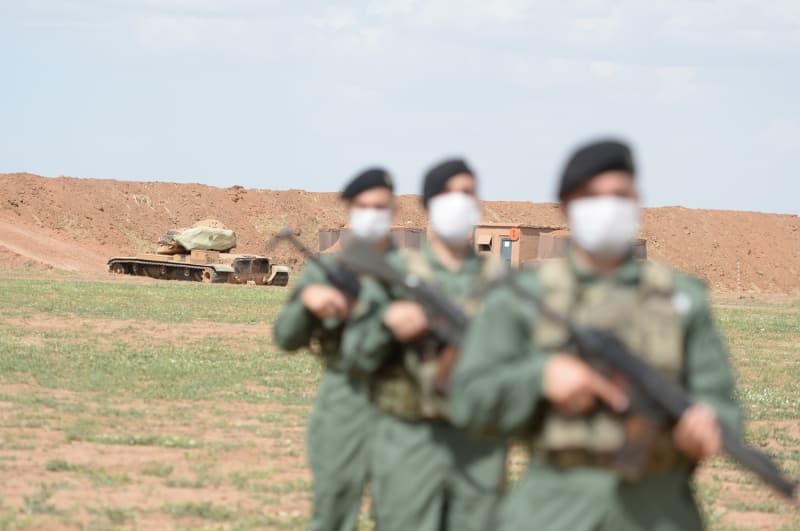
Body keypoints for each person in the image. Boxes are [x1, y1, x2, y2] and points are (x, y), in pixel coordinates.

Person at [450, 139, 742, 531]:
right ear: (565, 205)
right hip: (554, 506)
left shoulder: (682, 299)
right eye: (592, 196)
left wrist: (708, 426)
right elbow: (469, 399)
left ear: (637, 201)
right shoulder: (522, 298)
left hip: (658, 509)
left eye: (620, 195)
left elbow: (722, 403)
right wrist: (539, 377)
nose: (607, 208)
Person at [340, 158, 508, 531]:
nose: (459, 201)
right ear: (429, 204)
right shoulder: (398, 273)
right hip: (411, 439)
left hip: (480, 446)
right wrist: (387, 325)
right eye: (448, 193)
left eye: (467, 192)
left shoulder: (500, 280)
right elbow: (353, 354)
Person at [273, 167, 396, 531]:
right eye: (363, 206)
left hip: (401, 404)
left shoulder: (410, 273)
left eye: (380, 207)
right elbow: (285, 337)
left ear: (394, 211)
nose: (371, 214)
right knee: (332, 514)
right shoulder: (327, 270)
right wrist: (306, 303)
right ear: (349, 210)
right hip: (344, 400)